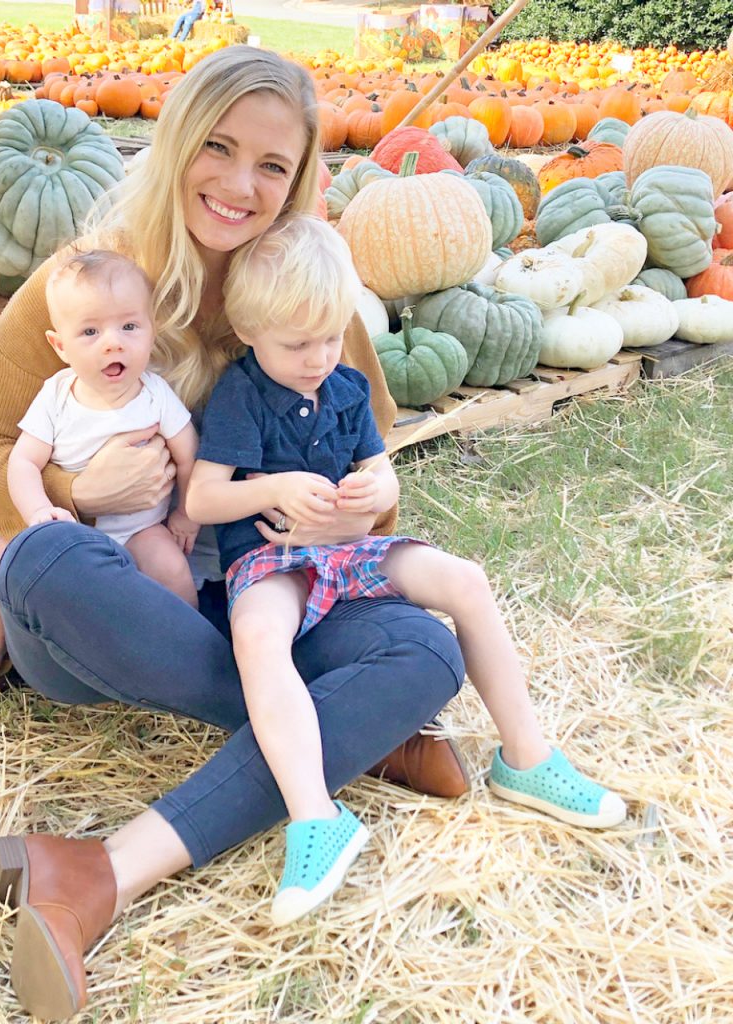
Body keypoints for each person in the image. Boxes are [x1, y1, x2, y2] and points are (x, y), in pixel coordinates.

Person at [0, 46, 469, 1022]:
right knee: (39, 557)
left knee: (427, 647)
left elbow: (373, 459)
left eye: (272, 166)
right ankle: (349, 732)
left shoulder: (308, 294)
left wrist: (361, 503)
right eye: (217, 148)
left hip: (257, 592)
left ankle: (97, 870)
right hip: (104, 609)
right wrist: (71, 483)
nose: (239, 185)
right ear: (179, 139)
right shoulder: (89, 282)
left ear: (300, 176)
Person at [186, 213, 628, 925]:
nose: (317, 357)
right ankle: (315, 820)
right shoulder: (242, 393)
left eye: (330, 337)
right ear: (249, 333)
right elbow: (203, 496)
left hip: (345, 550)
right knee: (259, 637)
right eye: (297, 343)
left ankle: (527, 757)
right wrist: (269, 488)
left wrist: (376, 492)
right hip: (269, 559)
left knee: (466, 582)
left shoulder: (350, 387)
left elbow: (381, 475)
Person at [0, 249, 200, 687]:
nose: (113, 342)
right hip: (66, 531)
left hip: (139, 527)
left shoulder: (155, 394)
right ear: (60, 345)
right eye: (90, 331)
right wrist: (37, 514)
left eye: (129, 326)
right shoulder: (56, 395)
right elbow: (23, 461)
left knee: (171, 569)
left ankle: (187, 650)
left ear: (152, 331)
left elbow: (189, 454)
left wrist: (184, 513)